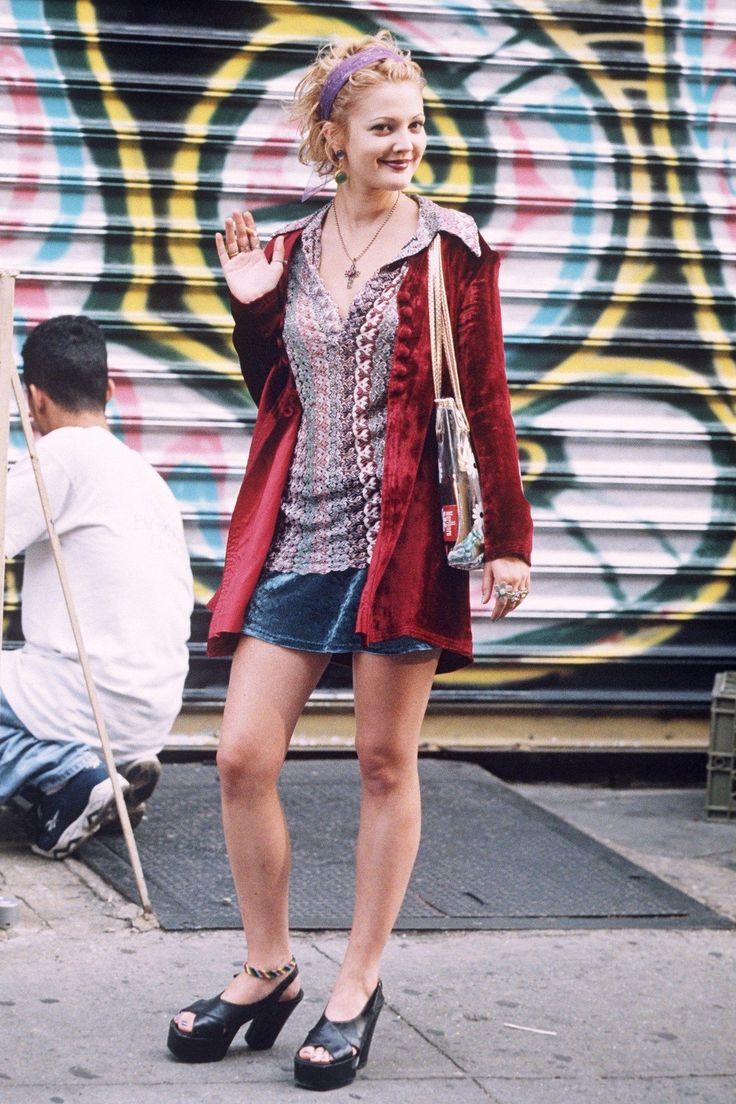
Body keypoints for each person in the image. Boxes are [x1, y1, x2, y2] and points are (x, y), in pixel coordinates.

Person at [167, 31, 532, 1092]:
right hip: (297, 535)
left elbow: (489, 401)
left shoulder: (448, 249)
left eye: (415, 125)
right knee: (240, 755)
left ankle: (355, 982)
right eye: (384, 127)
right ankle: (269, 966)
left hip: (405, 540)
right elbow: (275, 396)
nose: (406, 142)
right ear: (331, 138)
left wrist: (506, 539)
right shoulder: (286, 248)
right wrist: (250, 311)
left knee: (383, 763)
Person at [0, 315, 193, 859]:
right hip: (149, 710)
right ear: (107, 390)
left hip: (88, 697)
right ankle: (103, 777)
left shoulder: (59, 457)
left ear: (34, 399)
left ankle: (69, 776)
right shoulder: (145, 478)